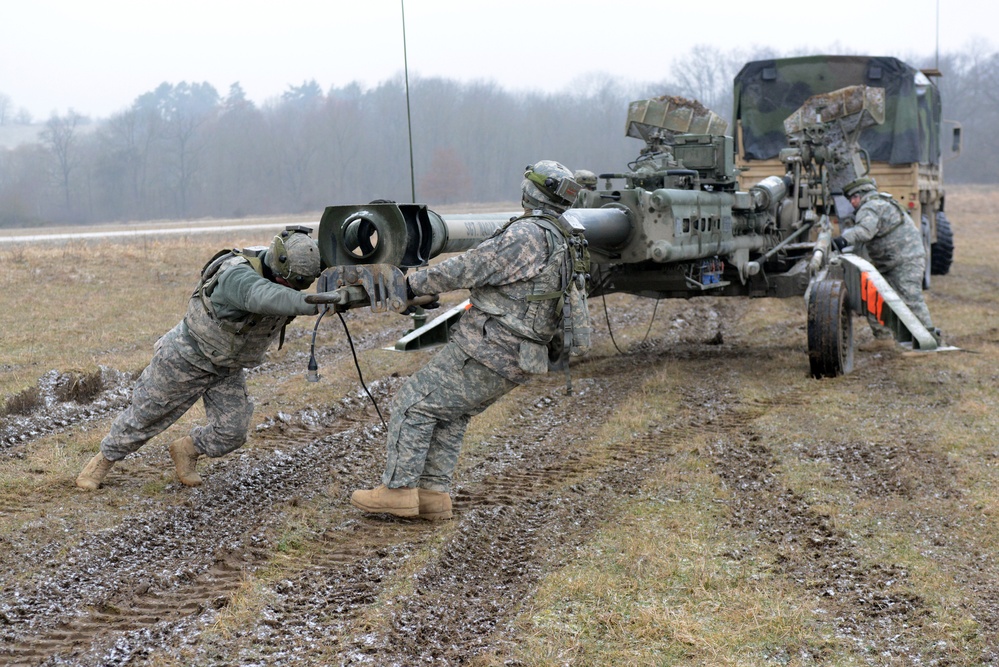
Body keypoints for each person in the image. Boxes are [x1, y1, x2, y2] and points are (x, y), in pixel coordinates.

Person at [350, 160, 580, 520]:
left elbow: (468, 267)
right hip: (522, 355)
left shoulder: (526, 236)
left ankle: (397, 491)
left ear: (529, 192)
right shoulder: (562, 238)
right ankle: (432, 496)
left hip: (489, 348)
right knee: (449, 415)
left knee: (413, 403)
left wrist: (407, 286)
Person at [76, 226, 322, 490]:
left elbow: (333, 247)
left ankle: (186, 450)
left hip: (226, 367)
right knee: (145, 417)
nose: (291, 287)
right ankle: (104, 459)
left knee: (233, 433)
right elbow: (264, 296)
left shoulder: (294, 262)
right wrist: (319, 301)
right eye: (290, 282)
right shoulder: (236, 275)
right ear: (277, 265)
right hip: (185, 357)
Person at [832, 177, 938, 343]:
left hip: (906, 260)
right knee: (873, 295)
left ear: (863, 194)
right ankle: (883, 340)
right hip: (890, 262)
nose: (852, 202)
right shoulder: (878, 203)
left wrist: (842, 240)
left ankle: (928, 341)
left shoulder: (871, 207)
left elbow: (864, 231)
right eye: (850, 199)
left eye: (854, 197)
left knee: (910, 299)